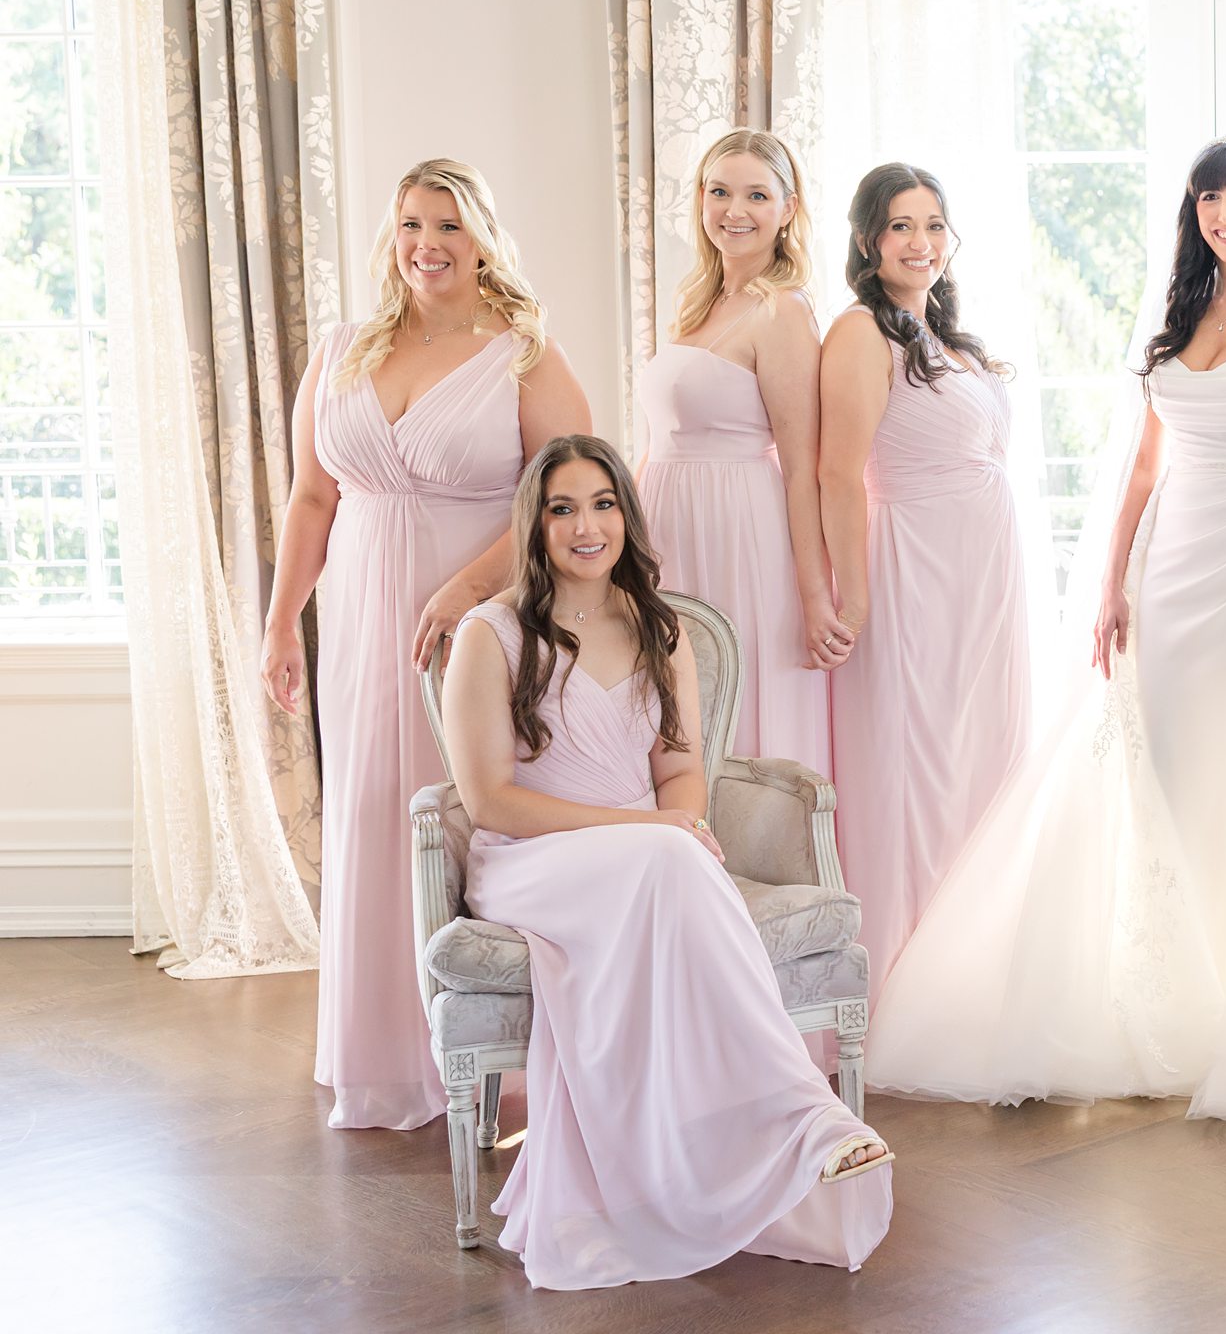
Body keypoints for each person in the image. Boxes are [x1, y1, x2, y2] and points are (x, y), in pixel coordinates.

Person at [865, 138, 1226, 1141]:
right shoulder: (1175, 317)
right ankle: (1182, 1012)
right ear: (1192, 210)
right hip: (1173, 572)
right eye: (1211, 197)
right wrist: (1110, 582)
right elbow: (1142, 470)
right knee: (1178, 788)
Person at [442, 435, 893, 1290]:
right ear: (535, 524)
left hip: (644, 855)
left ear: (627, 516)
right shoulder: (489, 633)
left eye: (604, 504)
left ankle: (746, 1144)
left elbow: (682, 776)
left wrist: (668, 826)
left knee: (676, 854)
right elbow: (490, 799)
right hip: (529, 860)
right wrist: (640, 829)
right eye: (563, 507)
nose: (586, 526)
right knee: (669, 853)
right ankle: (802, 1117)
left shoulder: (660, 627)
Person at [259, 157, 588, 1130]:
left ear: (482, 237)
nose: (425, 244)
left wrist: (466, 587)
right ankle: (381, 1052)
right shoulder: (344, 349)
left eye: (446, 224)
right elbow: (314, 497)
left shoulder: (524, 353)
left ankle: (489, 1058)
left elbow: (564, 498)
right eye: (411, 222)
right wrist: (283, 619)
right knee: (372, 810)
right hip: (362, 625)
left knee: (462, 820)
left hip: (472, 628)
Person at [819, 163, 1032, 1000]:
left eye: (935, 225)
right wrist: (855, 593)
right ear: (869, 241)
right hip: (917, 573)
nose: (921, 242)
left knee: (984, 756)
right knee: (926, 762)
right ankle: (914, 981)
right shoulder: (859, 334)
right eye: (902, 226)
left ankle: (976, 970)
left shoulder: (944, 340)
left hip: (985, 579)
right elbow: (838, 473)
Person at [637, 128, 843, 771]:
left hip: (739, 534)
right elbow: (655, 443)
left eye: (757, 195)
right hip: (669, 532)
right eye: (720, 191)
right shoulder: (697, 304)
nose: (736, 210)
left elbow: (802, 467)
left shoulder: (782, 312)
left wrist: (815, 598)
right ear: (700, 201)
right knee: (671, 710)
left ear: (787, 209)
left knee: (738, 709)